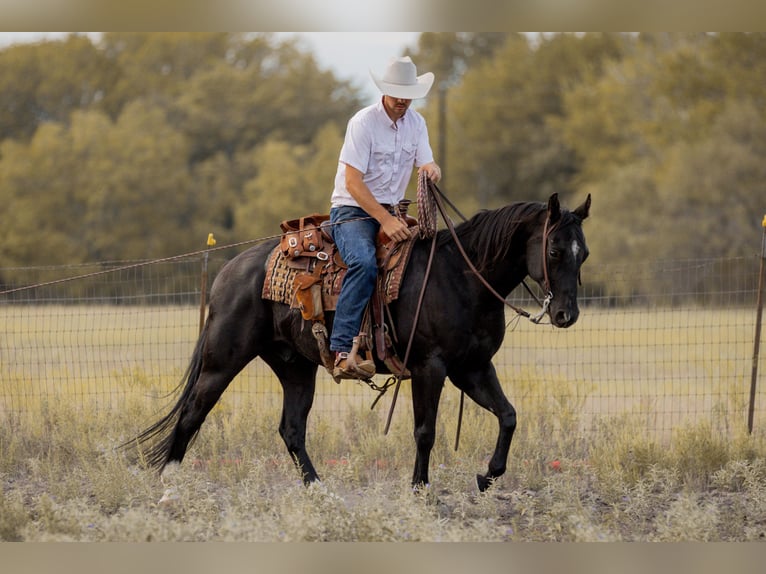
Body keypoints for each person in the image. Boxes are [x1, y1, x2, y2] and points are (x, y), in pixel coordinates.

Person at [329, 56, 442, 380]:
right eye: (397, 94)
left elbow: (426, 161)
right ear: (384, 92)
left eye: (408, 94)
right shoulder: (363, 123)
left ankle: (401, 341)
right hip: (352, 210)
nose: (403, 101)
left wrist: (431, 168)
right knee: (363, 262)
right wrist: (386, 221)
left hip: (394, 210)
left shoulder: (417, 124)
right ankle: (341, 350)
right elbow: (353, 183)